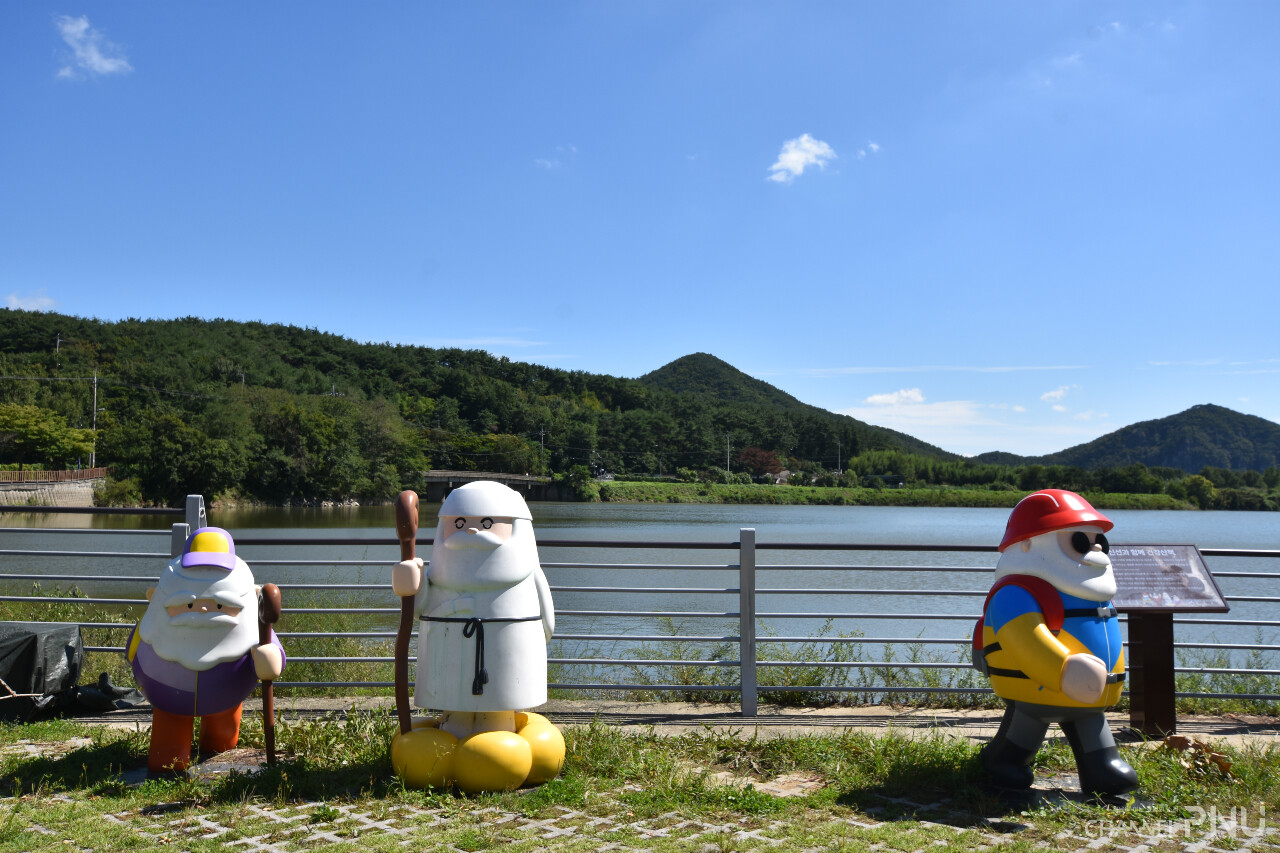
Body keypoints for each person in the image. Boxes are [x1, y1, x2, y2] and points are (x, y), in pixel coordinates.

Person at [391, 481, 562, 791]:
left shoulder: (526, 574)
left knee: (498, 711)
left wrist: (541, 632)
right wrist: (410, 581)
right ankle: (454, 741)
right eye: (458, 524)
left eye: (486, 524)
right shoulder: (437, 576)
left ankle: (493, 745)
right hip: (451, 659)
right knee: (455, 714)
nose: (470, 531)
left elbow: (546, 620)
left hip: (504, 658)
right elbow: (417, 606)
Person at [976, 489, 1138, 798]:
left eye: (1098, 541)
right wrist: (1062, 668)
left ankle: (1102, 769)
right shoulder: (1015, 593)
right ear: (1027, 544)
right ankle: (1002, 763)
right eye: (1079, 541)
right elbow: (1025, 640)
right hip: (1042, 687)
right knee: (1025, 727)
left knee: (1090, 723)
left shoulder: (1090, 592)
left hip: (1090, 697)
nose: (1095, 550)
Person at [127, 527, 285, 773]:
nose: (201, 610)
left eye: (219, 605)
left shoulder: (250, 618)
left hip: (228, 693)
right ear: (155, 597)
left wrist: (270, 657)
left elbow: (269, 647)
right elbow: (135, 646)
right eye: (189, 604)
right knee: (169, 741)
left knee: (221, 736)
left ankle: (217, 745)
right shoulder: (156, 621)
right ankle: (169, 759)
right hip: (170, 697)